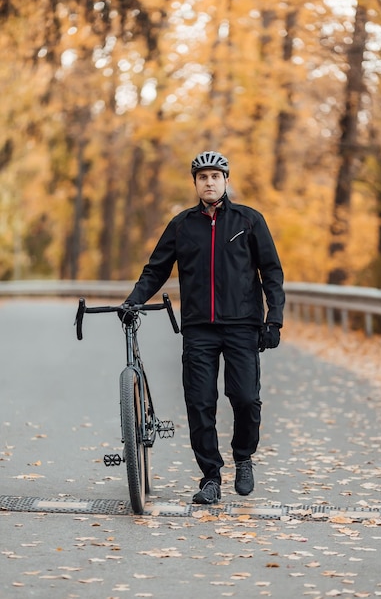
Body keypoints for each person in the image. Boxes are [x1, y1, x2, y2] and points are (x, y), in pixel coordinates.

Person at [119, 150, 285, 505]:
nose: (209, 182)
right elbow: (156, 270)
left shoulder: (249, 220)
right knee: (199, 403)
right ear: (195, 183)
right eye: (202, 177)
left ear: (226, 180)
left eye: (215, 176)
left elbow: (271, 272)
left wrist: (274, 319)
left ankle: (243, 457)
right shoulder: (181, 225)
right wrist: (134, 299)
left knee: (244, 398)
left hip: (243, 325)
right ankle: (210, 476)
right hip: (198, 328)